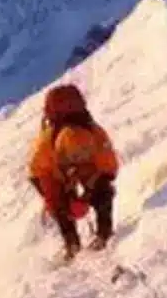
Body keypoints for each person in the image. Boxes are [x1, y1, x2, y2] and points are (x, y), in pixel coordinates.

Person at [28, 83, 120, 259]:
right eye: (71, 160)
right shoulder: (45, 149)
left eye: (80, 159)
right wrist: (63, 201)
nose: (75, 164)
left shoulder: (98, 142)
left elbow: (108, 171)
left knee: (103, 192)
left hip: (87, 166)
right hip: (52, 172)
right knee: (58, 202)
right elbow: (37, 175)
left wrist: (90, 191)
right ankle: (72, 242)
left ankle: (104, 232)